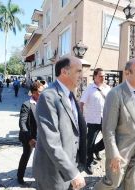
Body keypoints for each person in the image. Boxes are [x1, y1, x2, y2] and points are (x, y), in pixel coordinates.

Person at [94, 58, 135, 190]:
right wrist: (113, 153)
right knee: (112, 183)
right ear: (127, 73)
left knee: (132, 182)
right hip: (120, 151)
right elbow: (108, 129)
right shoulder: (115, 94)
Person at [33, 56, 87, 190]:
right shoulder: (49, 96)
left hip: (70, 167)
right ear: (64, 72)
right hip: (53, 174)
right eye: (78, 71)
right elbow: (51, 142)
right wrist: (73, 173)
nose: (82, 75)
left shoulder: (69, 94)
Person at [80, 68, 110, 174]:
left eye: (104, 76)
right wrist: (81, 119)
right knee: (89, 143)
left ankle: (96, 149)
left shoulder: (107, 88)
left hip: (105, 120)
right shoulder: (89, 89)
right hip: (92, 120)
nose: (103, 78)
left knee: (107, 141)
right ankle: (89, 163)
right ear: (95, 77)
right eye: (100, 76)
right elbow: (81, 103)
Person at [17, 81, 44, 185]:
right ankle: (20, 176)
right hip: (30, 137)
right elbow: (22, 123)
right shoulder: (26, 105)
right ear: (33, 93)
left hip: (42, 136)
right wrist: (29, 139)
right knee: (26, 156)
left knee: (42, 157)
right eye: (39, 92)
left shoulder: (44, 102)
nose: (42, 94)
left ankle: (41, 176)